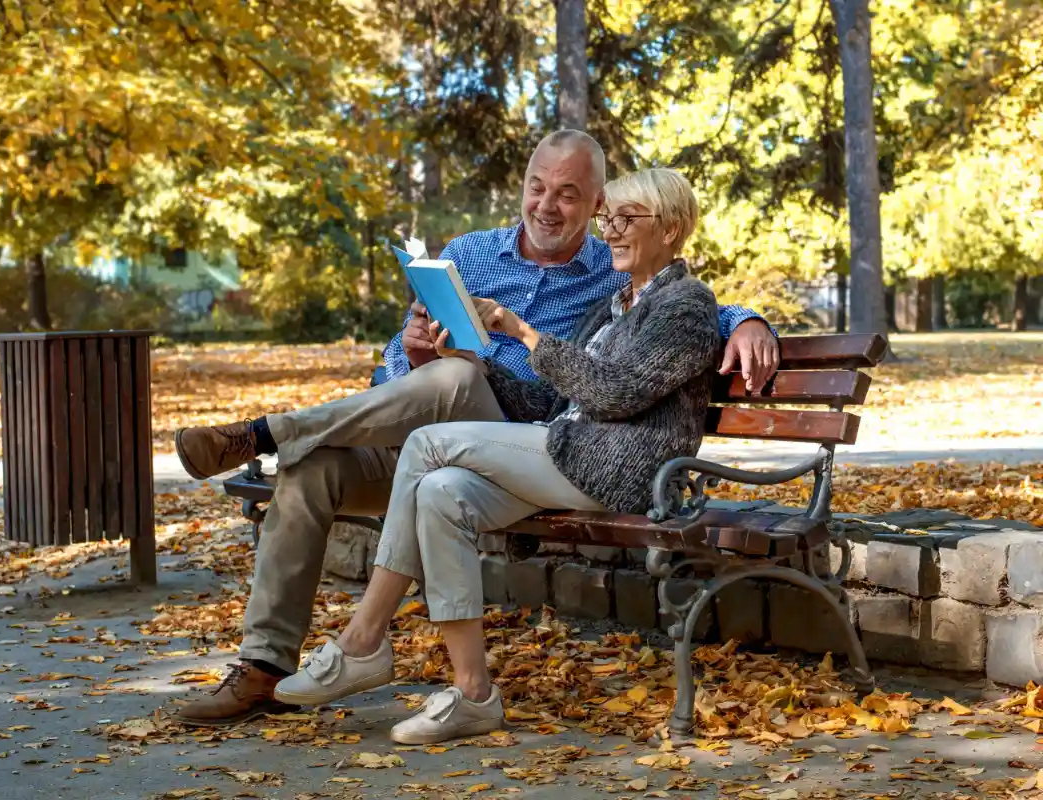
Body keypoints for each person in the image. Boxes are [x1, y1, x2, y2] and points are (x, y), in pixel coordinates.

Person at [172, 131, 778, 728]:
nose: (546, 205)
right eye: (537, 187)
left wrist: (749, 320)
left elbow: (683, 307)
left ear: (596, 203)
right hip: (428, 428)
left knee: (458, 380)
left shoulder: (610, 270)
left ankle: (266, 440)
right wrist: (412, 353)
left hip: (517, 441)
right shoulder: (471, 253)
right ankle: (265, 667)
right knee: (313, 468)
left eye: (569, 195)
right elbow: (399, 360)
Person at [271, 167, 720, 744]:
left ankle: (363, 640)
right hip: (570, 452)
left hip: (621, 470)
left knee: (427, 444)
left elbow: (617, 393)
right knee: (441, 493)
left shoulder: (686, 304)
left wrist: (524, 332)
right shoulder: (613, 306)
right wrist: (477, 365)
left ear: (672, 228)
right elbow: (551, 402)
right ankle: (474, 694)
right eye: (609, 218)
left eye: (626, 219)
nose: (610, 230)